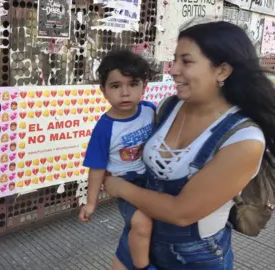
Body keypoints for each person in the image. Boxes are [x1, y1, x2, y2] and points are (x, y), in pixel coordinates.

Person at [104, 21, 274, 269]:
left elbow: (180, 212)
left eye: (186, 61)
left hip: (193, 255)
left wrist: (118, 186)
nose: (173, 70)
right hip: (141, 232)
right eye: (174, 60)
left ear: (222, 71)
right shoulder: (167, 107)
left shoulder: (244, 140)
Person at [78, 50, 156, 270]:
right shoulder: (104, 128)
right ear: (103, 90)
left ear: (144, 87)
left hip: (153, 179)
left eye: (132, 84)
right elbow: (96, 168)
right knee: (141, 224)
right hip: (127, 183)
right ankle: (142, 267)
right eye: (115, 86)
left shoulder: (150, 111)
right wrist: (91, 202)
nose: (125, 93)